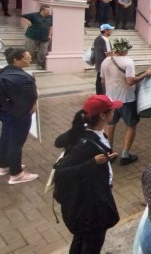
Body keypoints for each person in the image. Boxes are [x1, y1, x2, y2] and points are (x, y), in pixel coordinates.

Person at [54, 95, 121, 253]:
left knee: (81, 239)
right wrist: (93, 163)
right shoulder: (84, 143)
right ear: (103, 115)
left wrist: (106, 160)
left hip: (90, 198)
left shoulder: (88, 132)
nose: (114, 113)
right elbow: (61, 171)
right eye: (112, 110)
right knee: (91, 243)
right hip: (90, 205)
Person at [101, 38, 151, 165]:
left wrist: (107, 95)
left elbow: (102, 82)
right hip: (127, 100)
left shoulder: (106, 61)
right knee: (131, 126)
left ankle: (109, 153)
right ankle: (125, 155)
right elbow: (130, 81)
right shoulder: (128, 62)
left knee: (110, 125)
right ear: (124, 49)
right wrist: (145, 74)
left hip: (111, 100)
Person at [0, 48, 38, 184]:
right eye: (27, 58)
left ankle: (4, 165)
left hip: (6, 114)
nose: (30, 59)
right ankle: (16, 174)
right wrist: (29, 109)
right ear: (16, 60)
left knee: (5, 138)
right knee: (16, 143)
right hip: (18, 115)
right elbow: (30, 97)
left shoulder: (4, 72)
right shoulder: (24, 78)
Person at [21, 4, 52, 69]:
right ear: (42, 10)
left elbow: (50, 26)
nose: (49, 12)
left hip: (44, 38)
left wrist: (50, 35)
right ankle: (27, 63)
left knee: (43, 52)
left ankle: (39, 65)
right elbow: (23, 16)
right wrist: (28, 22)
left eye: (49, 10)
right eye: (47, 10)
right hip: (32, 36)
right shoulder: (34, 15)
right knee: (30, 51)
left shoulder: (50, 17)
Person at [93, 24, 114, 94]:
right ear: (105, 31)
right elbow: (108, 54)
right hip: (104, 64)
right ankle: (102, 95)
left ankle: (98, 94)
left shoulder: (97, 38)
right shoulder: (105, 40)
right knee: (103, 81)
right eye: (110, 30)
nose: (111, 31)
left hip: (98, 63)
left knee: (98, 80)